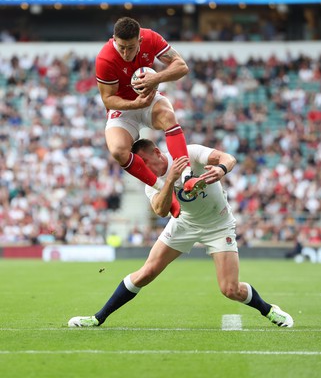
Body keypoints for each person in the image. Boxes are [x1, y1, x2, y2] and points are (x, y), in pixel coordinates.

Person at [68, 139, 294, 329]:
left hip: (218, 224)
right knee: (146, 273)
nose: (145, 168)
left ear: (157, 152)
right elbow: (160, 210)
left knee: (230, 289)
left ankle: (269, 310)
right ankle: (98, 318)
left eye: (145, 162)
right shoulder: (152, 182)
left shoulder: (190, 153)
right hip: (184, 224)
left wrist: (221, 169)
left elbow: (229, 158)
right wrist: (168, 180)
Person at [95, 16, 205, 217]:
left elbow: (182, 66)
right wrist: (134, 104)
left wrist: (156, 78)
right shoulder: (105, 59)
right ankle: (162, 188)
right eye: (121, 47)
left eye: (130, 47)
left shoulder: (151, 38)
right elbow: (108, 100)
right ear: (114, 40)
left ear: (140, 40)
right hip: (124, 107)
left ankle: (188, 175)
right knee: (118, 151)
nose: (126, 53)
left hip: (149, 98)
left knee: (168, 115)